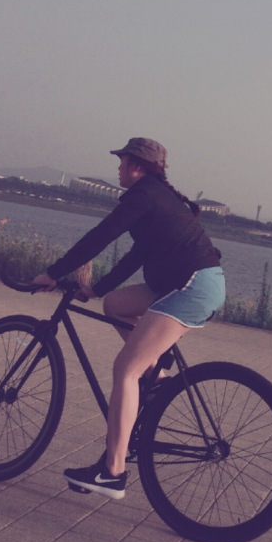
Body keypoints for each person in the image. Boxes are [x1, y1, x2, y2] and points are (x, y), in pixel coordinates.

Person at [33, 137, 225, 500]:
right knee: (116, 305)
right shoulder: (157, 198)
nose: (118, 168)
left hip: (193, 287)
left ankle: (113, 472)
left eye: (121, 162)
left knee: (125, 369)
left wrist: (53, 272)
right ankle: (157, 379)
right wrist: (97, 289)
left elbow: (100, 236)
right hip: (188, 281)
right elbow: (136, 256)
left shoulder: (145, 195)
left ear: (136, 165)